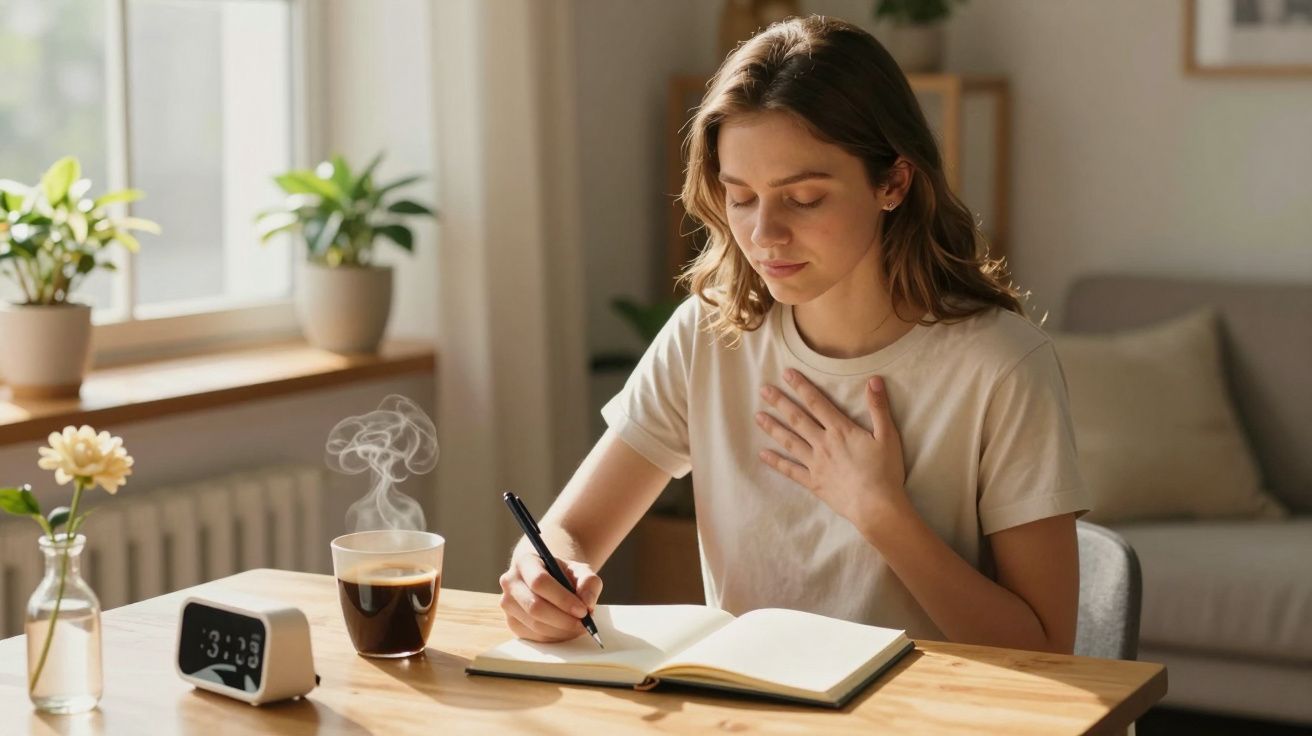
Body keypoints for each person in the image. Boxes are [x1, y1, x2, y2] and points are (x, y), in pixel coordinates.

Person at [498, 15, 1090, 654]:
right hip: (745, 703)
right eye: (741, 197)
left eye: (803, 198)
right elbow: (569, 533)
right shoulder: (708, 334)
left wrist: (880, 512)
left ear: (893, 182)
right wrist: (541, 576)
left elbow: (1046, 652)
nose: (764, 234)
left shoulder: (1002, 366)